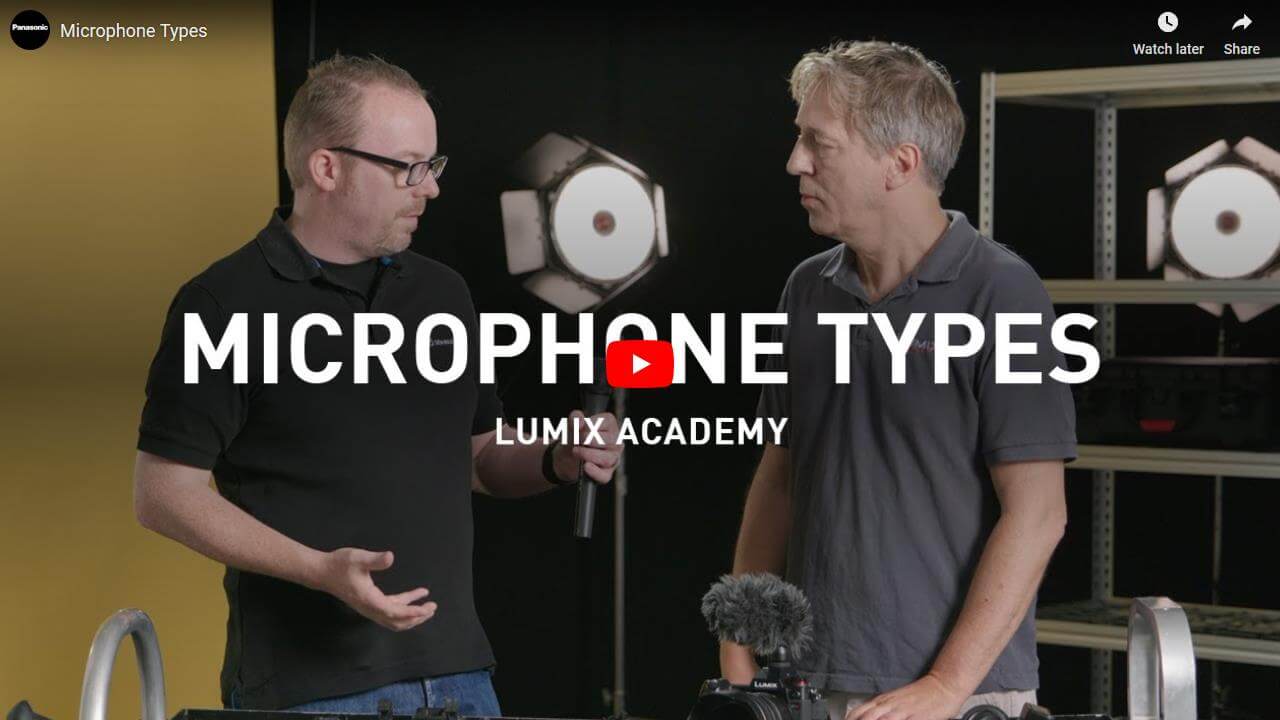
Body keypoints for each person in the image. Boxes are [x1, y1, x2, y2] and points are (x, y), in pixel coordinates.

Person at [132, 53, 621, 715]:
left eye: (433, 165)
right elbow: (164, 493)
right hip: (308, 693)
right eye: (408, 167)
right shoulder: (224, 304)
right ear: (326, 168)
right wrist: (319, 570)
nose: (431, 188)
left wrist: (553, 458)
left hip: (461, 680)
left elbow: (477, 456)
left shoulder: (442, 295)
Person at [720, 41, 1076, 720]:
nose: (796, 161)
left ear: (900, 163)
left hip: (958, 695)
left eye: (819, 142)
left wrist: (944, 687)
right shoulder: (807, 289)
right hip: (808, 684)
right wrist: (741, 645)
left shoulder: (1001, 291)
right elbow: (782, 473)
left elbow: (1038, 515)